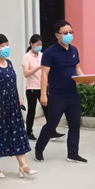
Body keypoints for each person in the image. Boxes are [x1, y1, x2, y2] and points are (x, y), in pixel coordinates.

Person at [0, 34, 38, 178]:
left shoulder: (9, 63)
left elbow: (13, 84)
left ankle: (23, 166)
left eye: (7, 44)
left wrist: (18, 98)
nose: (6, 48)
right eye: (3, 46)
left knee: (17, 132)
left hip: (12, 105)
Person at [35, 20, 87, 164]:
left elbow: (77, 67)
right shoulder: (50, 52)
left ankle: (73, 153)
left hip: (72, 94)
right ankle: (39, 148)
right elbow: (44, 74)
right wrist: (43, 94)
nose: (69, 35)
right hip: (57, 95)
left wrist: (83, 78)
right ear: (57, 35)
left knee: (75, 124)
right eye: (65, 33)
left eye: (71, 32)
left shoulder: (74, 50)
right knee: (52, 124)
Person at [22, 34, 65, 141]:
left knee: (48, 110)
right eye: (37, 45)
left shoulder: (43, 55)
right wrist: (38, 67)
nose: (39, 47)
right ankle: (28, 132)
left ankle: (52, 131)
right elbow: (26, 73)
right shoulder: (26, 57)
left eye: (40, 45)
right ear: (31, 44)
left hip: (43, 87)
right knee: (32, 110)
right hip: (32, 88)